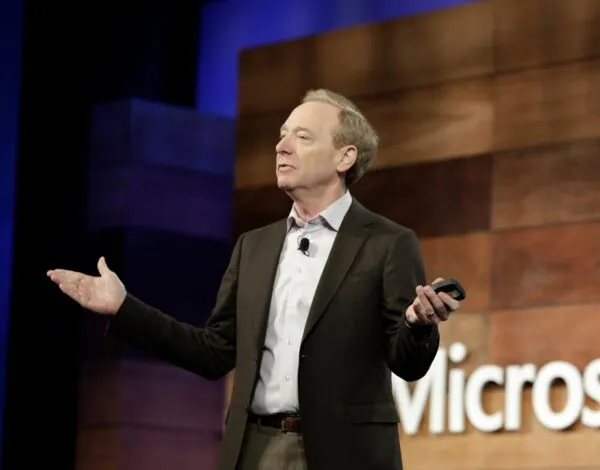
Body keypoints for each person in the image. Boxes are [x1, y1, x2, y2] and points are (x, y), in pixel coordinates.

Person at [47, 88, 460, 470]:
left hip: (346, 454)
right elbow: (213, 352)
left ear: (344, 157)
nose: (282, 146)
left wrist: (417, 323)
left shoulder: (387, 242)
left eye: (302, 137)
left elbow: (407, 363)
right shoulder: (254, 247)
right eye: (282, 135)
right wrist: (123, 308)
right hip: (256, 449)